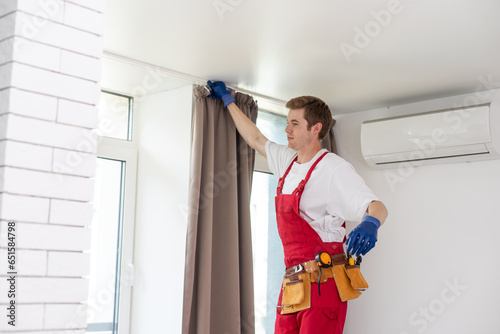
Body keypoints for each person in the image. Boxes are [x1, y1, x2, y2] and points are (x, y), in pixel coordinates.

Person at [207, 81, 388, 334]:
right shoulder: (288, 161)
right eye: (287, 121)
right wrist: (228, 101)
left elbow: (377, 206)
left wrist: (371, 223)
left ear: (316, 128)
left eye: (295, 123)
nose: (286, 129)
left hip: (324, 283)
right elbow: (256, 139)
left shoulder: (333, 168)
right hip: (293, 282)